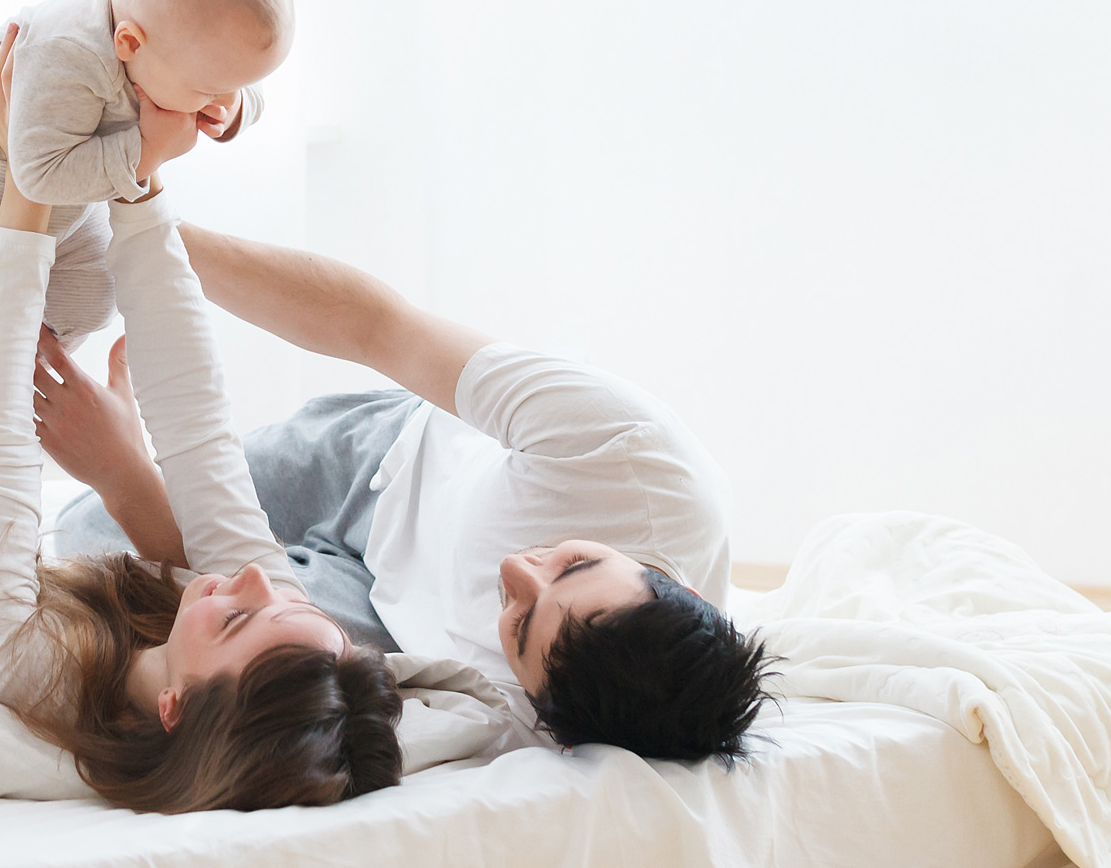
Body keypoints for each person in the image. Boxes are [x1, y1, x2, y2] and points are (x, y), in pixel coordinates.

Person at [0, 26, 400, 814]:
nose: (253, 576)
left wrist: (31, 181)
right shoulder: (276, 634)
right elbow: (198, 429)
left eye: (238, 615)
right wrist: (137, 184)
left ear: (175, 707)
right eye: (287, 598)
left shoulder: (15, 671)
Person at [41, 229, 776, 762]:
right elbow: (375, 327)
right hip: (386, 461)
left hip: (382, 618)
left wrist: (124, 478)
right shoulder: (628, 453)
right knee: (79, 526)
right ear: (674, 582)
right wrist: (140, 234)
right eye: (577, 565)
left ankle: (128, 465)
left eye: (520, 627)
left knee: (106, 574)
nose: (518, 572)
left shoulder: (539, 715)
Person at [0, 0, 288, 477]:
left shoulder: (170, 41)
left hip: (70, 171)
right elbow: (34, 175)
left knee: (94, 292)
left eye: (236, 86)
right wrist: (148, 150)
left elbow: (229, 88)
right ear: (130, 45)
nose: (218, 102)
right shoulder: (67, 55)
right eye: (212, 88)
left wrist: (234, 108)